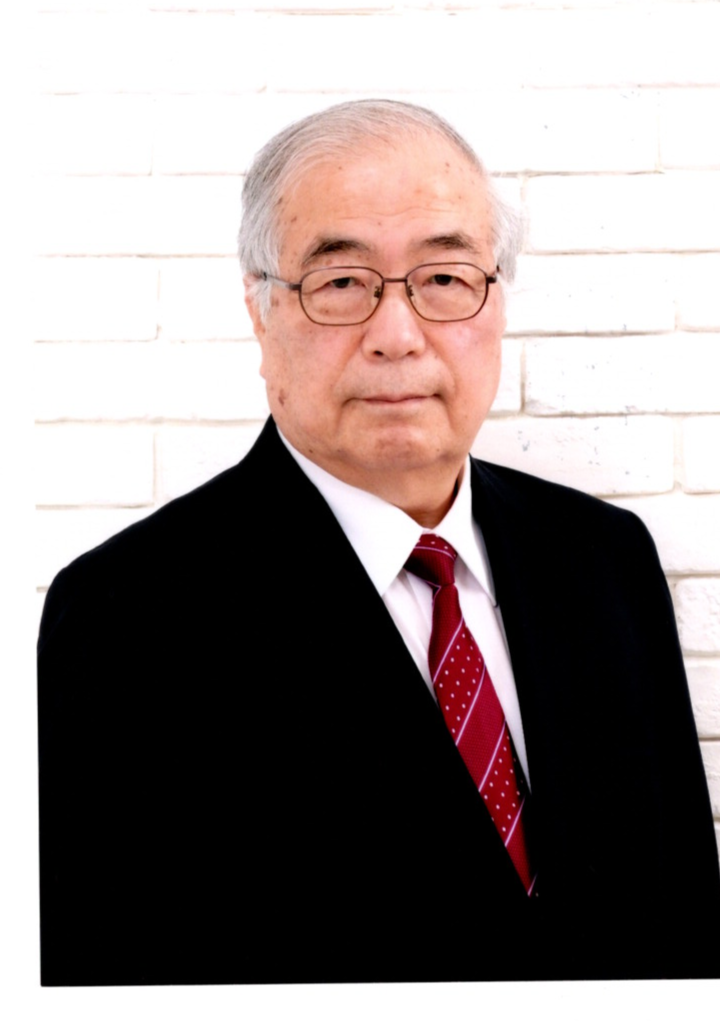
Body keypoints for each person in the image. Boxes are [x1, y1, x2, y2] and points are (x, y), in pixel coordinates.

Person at [38, 99, 720, 986]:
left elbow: (686, 924)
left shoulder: (604, 559)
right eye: (340, 284)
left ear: (497, 302)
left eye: (445, 278)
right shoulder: (125, 617)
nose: (397, 337)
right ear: (259, 312)